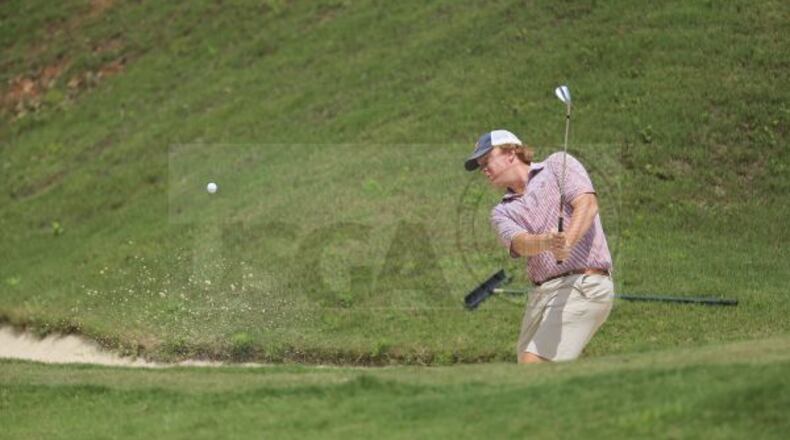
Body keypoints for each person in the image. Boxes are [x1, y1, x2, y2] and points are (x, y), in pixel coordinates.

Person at [464, 129, 614, 364]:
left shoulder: (558, 164)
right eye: (480, 165)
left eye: (487, 160)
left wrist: (567, 242)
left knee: (533, 365)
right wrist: (547, 241)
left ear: (512, 152)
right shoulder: (501, 211)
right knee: (530, 376)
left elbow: (587, 203)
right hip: (541, 295)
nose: (483, 169)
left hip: (583, 285)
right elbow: (520, 243)